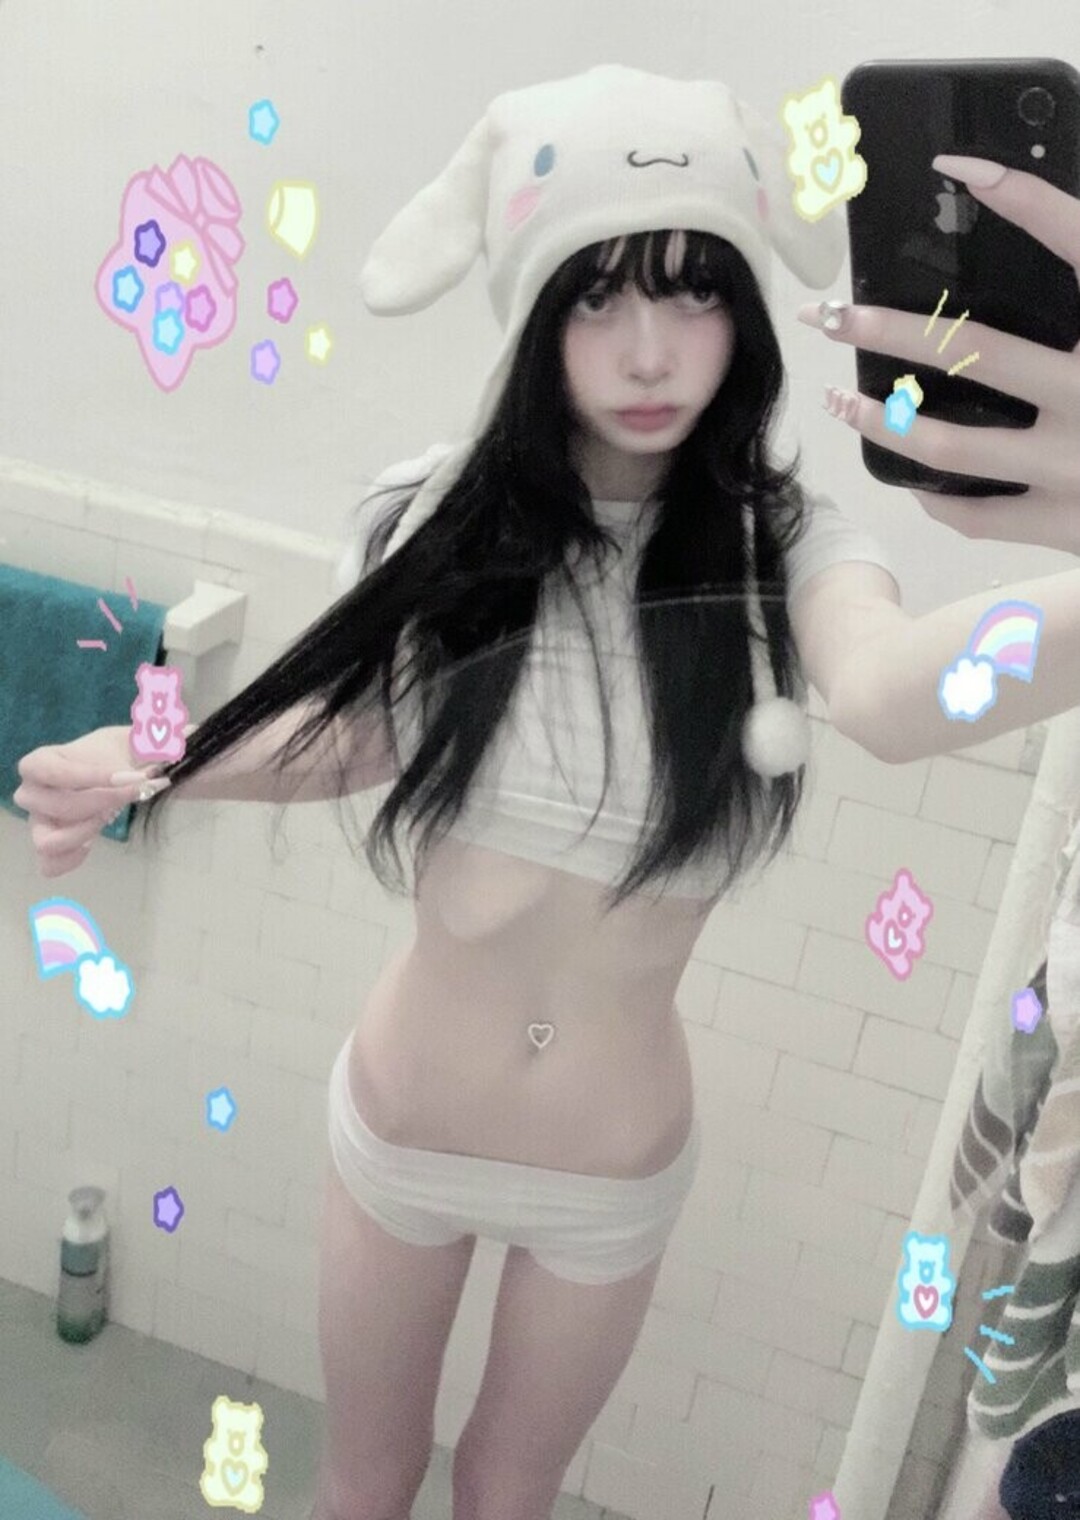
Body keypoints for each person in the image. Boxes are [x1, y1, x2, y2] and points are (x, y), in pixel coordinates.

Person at [14, 64, 1080, 1520]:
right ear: (534, 314)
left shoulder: (787, 546)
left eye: (693, 291)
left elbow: (896, 696)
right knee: (364, 1483)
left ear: (745, 315)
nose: (649, 350)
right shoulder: (430, 515)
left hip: (609, 1173)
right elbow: (360, 736)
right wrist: (160, 764)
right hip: (404, 1126)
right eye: (598, 295)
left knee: (509, 1493)